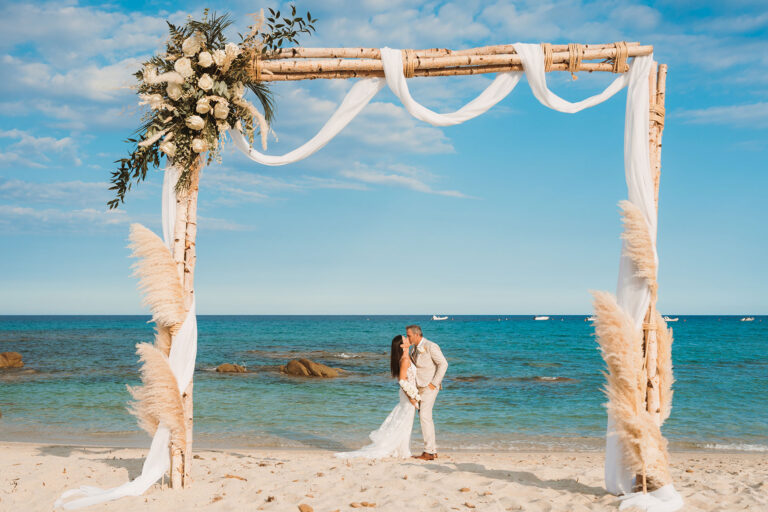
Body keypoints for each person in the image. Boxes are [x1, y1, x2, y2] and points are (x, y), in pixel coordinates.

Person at [335, 335, 420, 459]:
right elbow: (402, 381)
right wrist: (412, 397)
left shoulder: (408, 356)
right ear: (402, 345)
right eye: (405, 338)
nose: (408, 338)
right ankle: (403, 451)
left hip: (410, 392)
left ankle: (402, 450)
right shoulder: (405, 360)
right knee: (405, 421)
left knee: (405, 420)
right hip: (408, 393)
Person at [406, 324, 448, 461]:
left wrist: (434, 383)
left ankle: (429, 452)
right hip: (419, 387)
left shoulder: (431, 346)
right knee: (425, 417)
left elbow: (443, 364)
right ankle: (432, 450)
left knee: (424, 416)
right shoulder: (414, 349)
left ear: (417, 335)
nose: (408, 337)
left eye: (409, 335)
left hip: (430, 387)